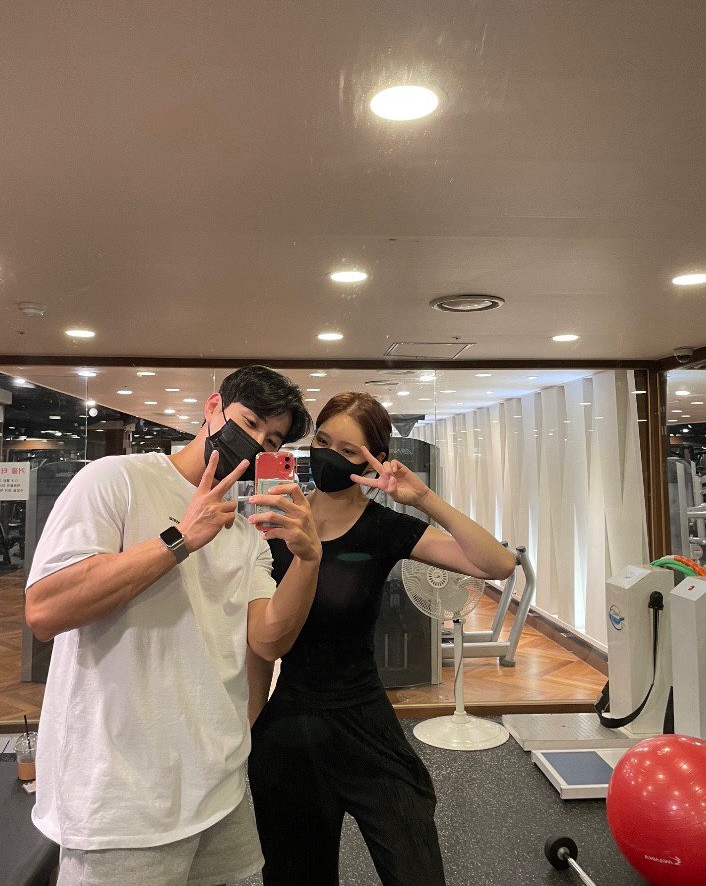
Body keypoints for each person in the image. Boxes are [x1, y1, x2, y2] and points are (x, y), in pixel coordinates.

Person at [24, 365, 322, 886]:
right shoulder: (115, 479)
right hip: (120, 799)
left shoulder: (245, 530)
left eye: (272, 441)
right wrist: (181, 537)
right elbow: (46, 610)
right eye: (248, 422)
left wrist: (309, 560)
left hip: (219, 787)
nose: (255, 443)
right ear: (212, 407)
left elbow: (268, 639)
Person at [247, 391, 517, 886]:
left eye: (348, 451)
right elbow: (257, 640)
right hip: (289, 729)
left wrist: (423, 498)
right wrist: (248, 726)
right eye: (322, 441)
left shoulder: (385, 527)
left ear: (374, 459)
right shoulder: (276, 521)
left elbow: (497, 563)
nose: (328, 456)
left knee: (416, 868)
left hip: (365, 720)